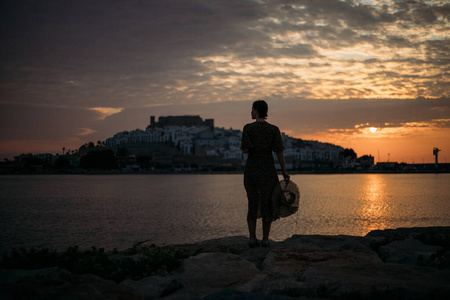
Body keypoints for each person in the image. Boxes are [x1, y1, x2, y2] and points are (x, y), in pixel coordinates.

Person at [241, 100, 290, 248]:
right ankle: (266, 240)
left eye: (252, 109)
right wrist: (284, 172)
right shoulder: (274, 130)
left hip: (252, 170)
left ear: (256, 111)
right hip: (268, 170)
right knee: (268, 204)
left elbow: (245, 150)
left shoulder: (248, 128)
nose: (250, 112)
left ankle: (252, 239)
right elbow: (279, 152)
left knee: (253, 203)